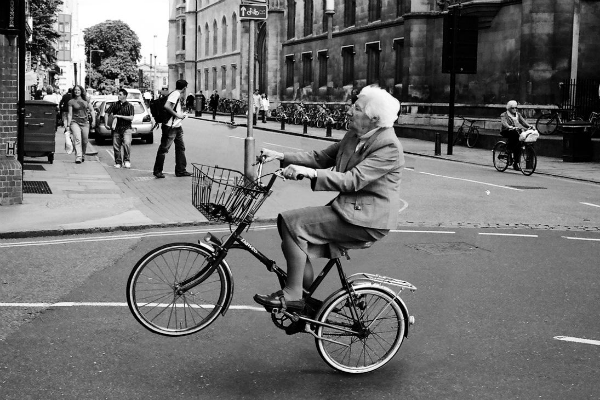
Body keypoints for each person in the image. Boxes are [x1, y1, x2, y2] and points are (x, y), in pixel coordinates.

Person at [254, 85, 405, 311]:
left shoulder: (389, 146)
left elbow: (353, 179)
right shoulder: (354, 135)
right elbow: (322, 157)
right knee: (287, 224)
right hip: (350, 210)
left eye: (356, 108)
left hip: (369, 219)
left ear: (373, 118)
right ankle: (303, 293)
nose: (348, 111)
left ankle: (294, 294)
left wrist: (310, 173)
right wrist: (281, 156)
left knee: (293, 223)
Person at [152, 80, 192, 178]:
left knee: (180, 148)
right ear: (184, 88)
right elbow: (167, 106)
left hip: (177, 126)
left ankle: (181, 170)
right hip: (170, 127)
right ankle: (157, 171)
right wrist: (178, 115)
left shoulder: (175, 94)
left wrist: (180, 115)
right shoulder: (175, 94)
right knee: (164, 149)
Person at [106, 88, 135, 169]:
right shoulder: (115, 104)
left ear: (125, 96)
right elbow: (106, 113)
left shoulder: (130, 106)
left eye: (120, 94)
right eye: (118, 94)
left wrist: (119, 116)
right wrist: (106, 123)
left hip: (127, 128)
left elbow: (131, 118)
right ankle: (118, 162)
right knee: (116, 145)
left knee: (127, 143)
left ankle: (127, 160)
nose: (118, 96)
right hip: (116, 128)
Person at [66, 85, 95, 164]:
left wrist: (93, 121)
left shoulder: (86, 100)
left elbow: (92, 110)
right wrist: (68, 125)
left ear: (81, 91)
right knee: (77, 139)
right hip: (75, 122)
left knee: (85, 141)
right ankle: (78, 157)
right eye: (75, 90)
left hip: (85, 122)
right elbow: (69, 114)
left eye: (78, 90)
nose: (77, 91)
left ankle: (82, 155)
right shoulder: (71, 101)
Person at [500, 100, 531, 170]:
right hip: (506, 131)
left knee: (518, 146)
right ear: (509, 108)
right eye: (512, 108)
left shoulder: (518, 115)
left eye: (516, 108)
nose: (514, 109)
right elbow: (504, 123)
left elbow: (523, 122)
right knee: (513, 135)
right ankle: (508, 150)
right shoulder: (504, 114)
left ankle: (516, 164)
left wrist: (529, 126)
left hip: (516, 131)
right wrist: (509, 127)